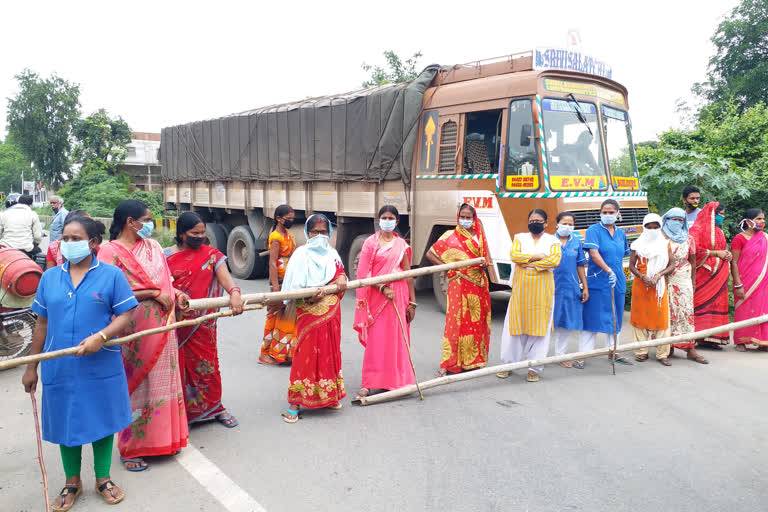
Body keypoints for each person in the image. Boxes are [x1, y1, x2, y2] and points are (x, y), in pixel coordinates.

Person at [23, 216, 139, 509]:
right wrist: (31, 366)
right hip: (59, 364)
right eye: (65, 238)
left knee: (102, 420)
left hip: (100, 364)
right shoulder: (49, 277)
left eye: (76, 239)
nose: (68, 244)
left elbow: (126, 315)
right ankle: (71, 482)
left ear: (94, 243)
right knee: (66, 421)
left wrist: (101, 336)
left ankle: (103, 479)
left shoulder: (111, 275)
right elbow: (41, 323)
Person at [97, 200, 190, 471]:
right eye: (146, 219)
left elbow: (167, 281)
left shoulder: (153, 247)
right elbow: (107, 293)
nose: (150, 224)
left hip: (164, 327)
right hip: (132, 334)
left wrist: (178, 294)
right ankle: (132, 448)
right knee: (136, 387)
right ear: (130, 222)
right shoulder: (108, 252)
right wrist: (150, 294)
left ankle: (165, 440)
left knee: (164, 385)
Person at [165, 212, 244, 427]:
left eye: (202, 233)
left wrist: (234, 292)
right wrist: (177, 293)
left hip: (204, 324)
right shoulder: (164, 256)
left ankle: (214, 407)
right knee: (178, 366)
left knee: (207, 366)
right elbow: (161, 284)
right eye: (194, 233)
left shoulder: (212, 255)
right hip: (177, 323)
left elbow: (225, 277)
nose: (200, 236)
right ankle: (181, 413)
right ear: (182, 234)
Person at [281, 214, 347, 423]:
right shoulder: (300, 255)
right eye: (315, 232)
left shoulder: (333, 253)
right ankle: (295, 402)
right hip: (308, 313)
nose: (319, 236)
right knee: (305, 354)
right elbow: (293, 289)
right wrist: (309, 296)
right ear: (307, 234)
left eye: (323, 232)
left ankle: (329, 396)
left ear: (329, 233)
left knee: (330, 352)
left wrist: (342, 278)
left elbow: (340, 274)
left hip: (331, 313)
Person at [353, 205, 416, 399]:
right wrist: (382, 288)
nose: (387, 220)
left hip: (399, 295)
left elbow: (408, 275)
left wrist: (412, 303)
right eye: (384, 217)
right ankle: (369, 383)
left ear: (397, 222)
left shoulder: (401, 245)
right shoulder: (370, 244)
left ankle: (398, 381)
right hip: (377, 296)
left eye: (391, 218)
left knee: (397, 339)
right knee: (377, 340)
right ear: (378, 219)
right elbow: (363, 274)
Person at [426, 203, 492, 377]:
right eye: (462, 216)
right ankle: (449, 364)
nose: (465, 220)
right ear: (458, 216)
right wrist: (448, 268)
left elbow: (484, 257)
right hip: (459, 284)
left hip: (478, 284)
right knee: (455, 324)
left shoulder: (480, 235)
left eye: (469, 217)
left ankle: (472, 361)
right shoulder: (450, 236)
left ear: (474, 218)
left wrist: (483, 264)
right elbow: (430, 254)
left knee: (475, 323)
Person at [497, 209, 562, 382]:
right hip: (520, 291)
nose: (535, 223)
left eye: (539, 220)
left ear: (546, 223)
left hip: (543, 293)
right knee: (514, 328)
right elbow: (514, 255)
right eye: (532, 220)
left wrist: (528, 262)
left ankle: (534, 367)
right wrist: (537, 257)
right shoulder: (519, 238)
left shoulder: (553, 241)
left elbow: (554, 261)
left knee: (540, 330)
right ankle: (508, 364)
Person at [579, 199, 633, 366]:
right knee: (592, 318)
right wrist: (608, 270)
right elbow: (594, 254)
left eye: (611, 212)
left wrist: (617, 273)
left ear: (618, 213)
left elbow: (623, 255)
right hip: (598, 280)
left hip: (617, 281)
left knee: (615, 317)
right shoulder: (594, 230)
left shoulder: (620, 233)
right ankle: (583, 355)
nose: (608, 215)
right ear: (600, 213)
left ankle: (613, 351)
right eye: (604, 212)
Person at [662, 208, 708, 364]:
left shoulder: (689, 239)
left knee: (686, 311)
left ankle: (690, 348)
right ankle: (667, 347)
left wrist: (693, 281)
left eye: (681, 220)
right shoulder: (661, 238)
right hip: (665, 278)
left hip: (684, 278)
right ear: (666, 220)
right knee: (667, 312)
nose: (678, 223)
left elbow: (693, 261)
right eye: (674, 219)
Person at [629, 214, 676, 365]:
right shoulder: (636, 244)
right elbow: (631, 266)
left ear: (660, 227)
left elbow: (671, 264)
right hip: (641, 285)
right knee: (640, 316)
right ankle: (641, 351)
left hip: (658, 285)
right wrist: (643, 277)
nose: (652, 230)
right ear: (644, 227)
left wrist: (658, 275)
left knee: (661, 318)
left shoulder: (665, 243)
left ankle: (662, 354)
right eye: (649, 227)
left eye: (656, 227)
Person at [690, 202, 732, 349]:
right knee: (701, 304)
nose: (722, 217)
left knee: (716, 304)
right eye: (721, 214)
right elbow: (693, 251)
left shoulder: (718, 231)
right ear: (712, 214)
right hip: (703, 275)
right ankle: (697, 337)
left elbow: (722, 249)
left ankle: (714, 337)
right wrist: (715, 254)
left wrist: (727, 255)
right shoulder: (697, 229)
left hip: (719, 276)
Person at [550, 212, 589, 368]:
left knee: (564, 323)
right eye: (564, 223)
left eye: (570, 224)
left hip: (570, 288)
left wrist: (584, 286)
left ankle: (560, 355)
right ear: (556, 224)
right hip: (550, 287)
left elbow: (580, 265)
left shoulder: (576, 242)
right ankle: (537, 356)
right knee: (547, 322)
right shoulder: (549, 241)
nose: (567, 226)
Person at [260, 204, 297, 365]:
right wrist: (276, 288)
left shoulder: (288, 235)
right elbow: (272, 263)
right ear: (278, 219)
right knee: (274, 316)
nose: (291, 221)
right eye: (288, 218)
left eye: (292, 218)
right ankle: (265, 354)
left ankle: (284, 352)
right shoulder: (276, 237)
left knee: (287, 317)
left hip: (290, 282)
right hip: (280, 283)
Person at [730, 208, 768, 351]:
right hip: (745, 281)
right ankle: (740, 340)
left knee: (763, 309)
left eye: (763, 219)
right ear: (747, 221)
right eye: (759, 219)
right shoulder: (739, 238)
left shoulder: (765, 237)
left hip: (764, 282)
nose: (762, 222)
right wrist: (738, 284)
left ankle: (762, 340)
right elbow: (734, 262)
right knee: (744, 308)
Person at [0, 193, 43, 257]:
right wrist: (36, 243)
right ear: (30, 205)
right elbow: (37, 237)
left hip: (6, 248)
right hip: (26, 249)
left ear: (18, 202)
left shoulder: (5, 214)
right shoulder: (33, 214)